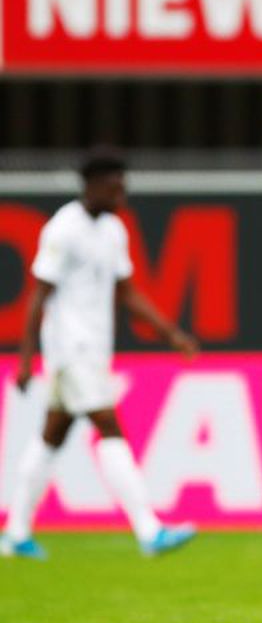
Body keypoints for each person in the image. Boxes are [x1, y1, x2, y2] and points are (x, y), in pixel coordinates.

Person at [1, 149, 199, 559]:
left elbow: (127, 291)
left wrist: (171, 333)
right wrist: (25, 359)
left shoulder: (113, 229)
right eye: (115, 186)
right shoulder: (63, 229)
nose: (121, 194)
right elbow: (39, 295)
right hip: (70, 349)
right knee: (108, 426)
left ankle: (16, 532)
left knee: (51, 436)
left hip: (92, 349)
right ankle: (150, 530)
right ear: (92, 186)